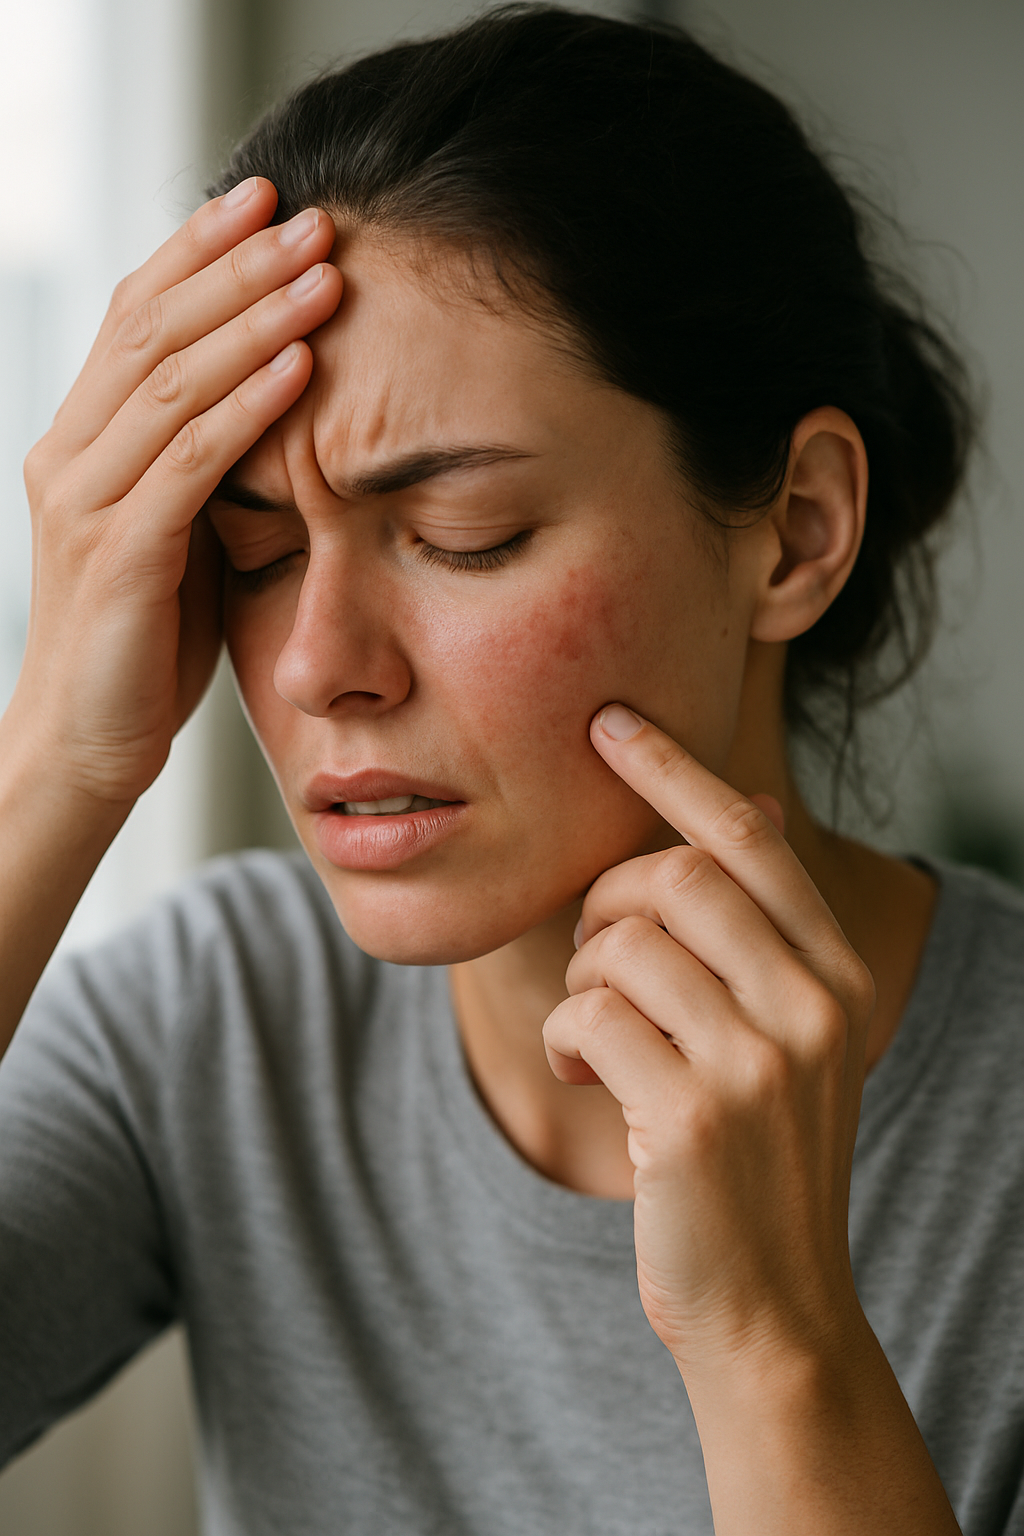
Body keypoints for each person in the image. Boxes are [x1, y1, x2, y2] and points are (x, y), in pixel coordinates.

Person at [1, 5, 1021, 1532]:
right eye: (261, 552)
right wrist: (54, 765)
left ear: (797, 528)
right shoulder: (217, 1028)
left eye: (459, 535)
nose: (313, 663)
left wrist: (777, 1347)